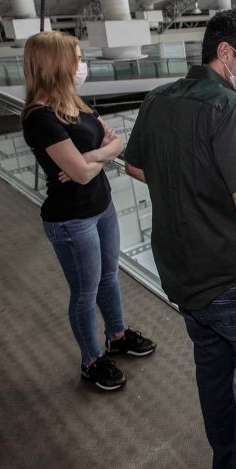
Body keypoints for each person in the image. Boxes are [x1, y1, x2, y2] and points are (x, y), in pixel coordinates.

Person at [124, 9, 236, 469]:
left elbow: (135, 166)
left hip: (183, 277)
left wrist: (188, 186)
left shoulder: (158, 98)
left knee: (214, 377)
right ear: (226, 53)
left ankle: (226, 460)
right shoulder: (227, 107)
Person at [21, 31, 157, 392]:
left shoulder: (75, 104)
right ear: (56, 64)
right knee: (84, 292)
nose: (82, 65)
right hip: (71, 220)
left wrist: (93, 155)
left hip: (102, 206)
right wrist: (97, 155)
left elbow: (116, 143)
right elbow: (80, 173)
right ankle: (92, 360)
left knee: (109, 276)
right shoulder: (39, 118)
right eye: (77, 58)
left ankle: (117, 334)